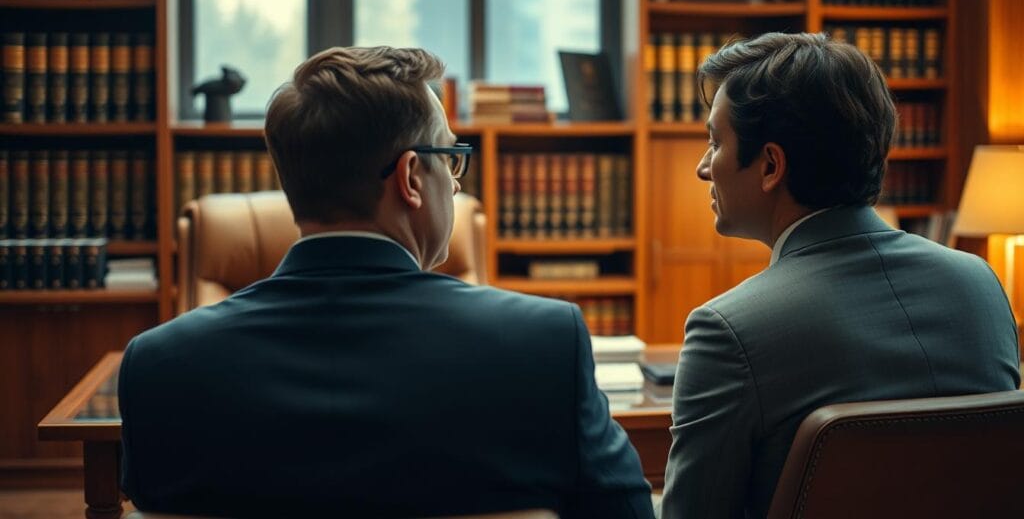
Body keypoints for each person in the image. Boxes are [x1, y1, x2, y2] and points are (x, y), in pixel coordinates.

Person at [118, 47, 654, 519]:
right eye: (453, 158)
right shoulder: (544, 343)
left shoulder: (158, 366)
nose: (456, 178)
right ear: (412, 178)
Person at [659, 32, 1020, 519]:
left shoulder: (727, 332)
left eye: (715, 142)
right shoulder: (980, 285)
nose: (704, 167)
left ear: (770, 166)